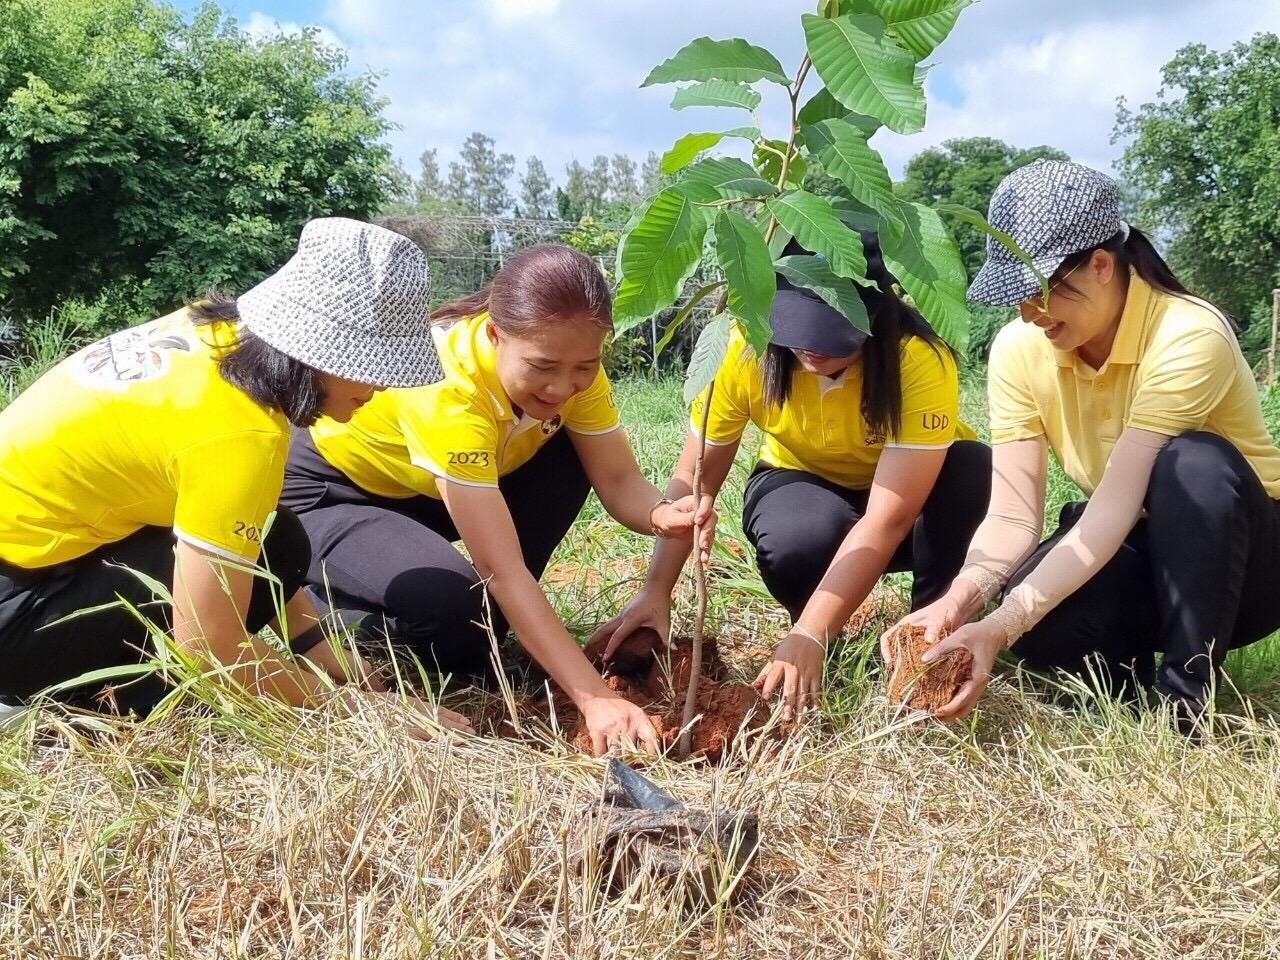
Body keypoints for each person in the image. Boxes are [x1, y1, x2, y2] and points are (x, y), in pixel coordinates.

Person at [0, 217, 471, 734]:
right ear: (316, 349)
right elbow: (208, 650)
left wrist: (334, 661)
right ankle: (56, 703)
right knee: (196, 674)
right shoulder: (239, 434)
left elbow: (266, 557)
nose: (383, 384)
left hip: (45, 563)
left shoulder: (212, 341)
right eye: (372, 363)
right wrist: (368, 713)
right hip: (18, 607)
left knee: (278, 539)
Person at [887, 159, 1280, 726]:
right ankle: (1127, 691)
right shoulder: (1019, 349)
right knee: (1036, 613)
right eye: (1017, 294)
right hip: (1140, 541)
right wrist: (959, 602)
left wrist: (1001, 624)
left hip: (1243, 561)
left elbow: (1118, 503)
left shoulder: (1188, 334)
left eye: (1041, 291)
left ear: (1101, 264)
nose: (1028, 312)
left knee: (1191, 464)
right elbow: (1014, 516)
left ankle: (1187, 702)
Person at [280, 243, 713, 756]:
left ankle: (496, 623)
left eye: (583, 367)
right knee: (454, 621)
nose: (561, 387)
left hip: (438, 487)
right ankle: (319, 600)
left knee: (563, 469)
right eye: (543, 365)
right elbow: (500, 568)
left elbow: (618, 480)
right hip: (336, 491)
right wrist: (594, 697)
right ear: (493, 333)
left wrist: (663, 514)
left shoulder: (575, 374)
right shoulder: (445, 383)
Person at [595, 233, 991, 719]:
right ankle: (819, 622)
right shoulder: (743, 349)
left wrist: (808, 636)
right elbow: (695, 481)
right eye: (798, 330)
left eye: (834, 334)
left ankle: (929, 635)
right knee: (795, 538)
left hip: (912, 510)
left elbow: (890, 516)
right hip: (803, 481)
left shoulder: (917, 360)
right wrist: (657, 590)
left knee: (971, 468)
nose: (813, 350)